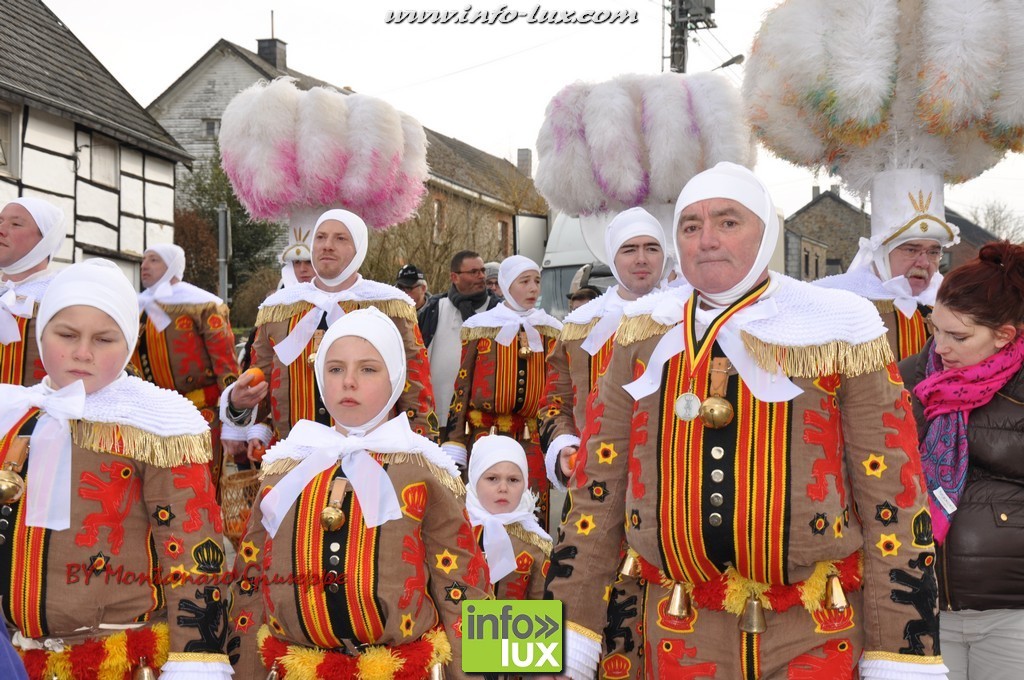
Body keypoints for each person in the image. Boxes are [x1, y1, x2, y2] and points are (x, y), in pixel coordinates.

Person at [544, 163, 943, 679]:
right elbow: (594, 498)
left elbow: (895, 500)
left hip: (816, 628)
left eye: (728, 222)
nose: (706, 239)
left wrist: (902, 657)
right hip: (676, 628)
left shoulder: (842, 330)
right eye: (690, 226)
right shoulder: (640, 335)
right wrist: (556, 646)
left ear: (766, 233)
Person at [229, 307, 489, 679]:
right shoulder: (286, 468)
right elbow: (250, 579)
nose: (348, 381)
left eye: (368, 369)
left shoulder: (424, 470)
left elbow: (464, 585)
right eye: (335, 369)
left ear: (396, 378)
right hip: (295, 669)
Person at [0, 260, 231, 679]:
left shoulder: (156, 426)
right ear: (40, 332)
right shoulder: (11, 412)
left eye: (104, 339)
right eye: (66, 334)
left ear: (129, 342)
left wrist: (196, 659)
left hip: (117, 659)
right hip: (13, 655)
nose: (82, 352)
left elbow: (194, 551)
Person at [900, 241, 1024, 680]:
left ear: (1004, 335)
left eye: (959, 336)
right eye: (936, 329)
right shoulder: (909, 377)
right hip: (921, 601)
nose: (942, 347)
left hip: (1011, 615)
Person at [224, 208, 439, 459]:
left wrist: (420, 453)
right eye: (321, 237)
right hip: (295, 458)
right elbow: (260, 391)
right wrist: (238, 403)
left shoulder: (390, 305)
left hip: (371, 457)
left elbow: (415, 389)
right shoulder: (277, 310)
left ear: (359, 247)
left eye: (340, 238)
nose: (327, 246)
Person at [540, 207, 667, 491]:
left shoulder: (686, 318)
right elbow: (555, 403)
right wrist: (563, 445)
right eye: (629, 249)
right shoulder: (580, 327)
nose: (641, 259)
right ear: (612, 256)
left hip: (668, 483)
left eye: (651, 248)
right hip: (594, 480)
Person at [444, 255, 562, 526]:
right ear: (508, 284)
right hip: (486, 434)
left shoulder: (550, 330)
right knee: (485, 504)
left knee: (531, 504)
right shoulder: (480, 327)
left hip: (531, 437)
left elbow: (558, 389)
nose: (533, 288)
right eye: (525, 281)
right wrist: (455, 440)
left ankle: (530, 561)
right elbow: (462, 384)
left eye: (537, 281)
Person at [815, 169, 958, 360]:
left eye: (933, 252)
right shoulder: (834, 304)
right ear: (881, 254)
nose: (924, 262)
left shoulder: (955, 305)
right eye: (911, 250)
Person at [132, 244, 240, 489]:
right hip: (147, 414)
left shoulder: (202, 305)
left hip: (198, 412)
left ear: (172, 266)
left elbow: (226, 365)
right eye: (143, 260)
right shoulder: (137, 307)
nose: (144, 266)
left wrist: (234, 421)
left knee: (197, 485)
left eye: (154, 260)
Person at [418, 250, 499, 429]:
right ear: (454, 277)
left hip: (484, 418)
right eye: (474, 272)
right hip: (440, 417)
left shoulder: (497, 311)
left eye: (482, 270)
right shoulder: (434, 309)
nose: (481, 277)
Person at [466, 435, 551, 600]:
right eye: (492, 478)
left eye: (513, 480)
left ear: (525, 484)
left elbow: (543, 611)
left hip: (512, 625)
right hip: (455, 625)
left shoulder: (536, 543)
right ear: (475, 478)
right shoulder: (453, 530)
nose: (503, 488)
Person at [0, 197, 64, 387]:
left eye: (16, 224)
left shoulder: (61, 297)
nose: (1, 229)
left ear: (46, 239)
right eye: (0, 221)